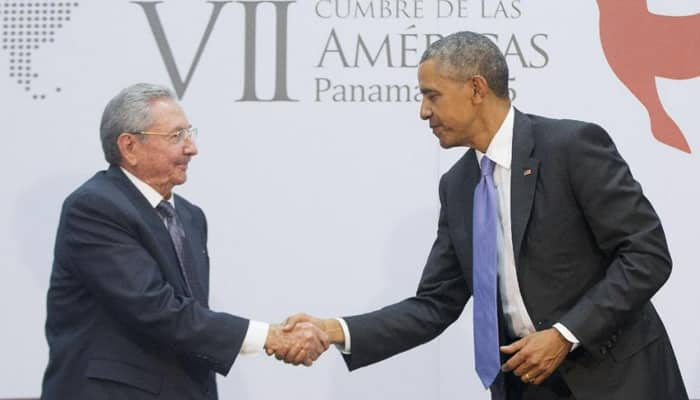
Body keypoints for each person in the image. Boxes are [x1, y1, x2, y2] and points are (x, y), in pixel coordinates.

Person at [281, 31, 689, 399]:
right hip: (527, 387)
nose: (424, 112)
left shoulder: (572, 147)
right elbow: (435, 304)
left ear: (476, 88)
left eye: (432, 95)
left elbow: (646, 255)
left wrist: (566, 335)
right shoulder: (459, 186)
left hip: (620, 382)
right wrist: (333, 330)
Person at [41, 83, 328, 400]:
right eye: (176, 136)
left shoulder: (190, 217)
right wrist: (269, 336)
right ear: (129, 147)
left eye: (189, 134)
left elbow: (189, 315)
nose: (191, 148)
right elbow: (154, 308)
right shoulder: (95, 208)